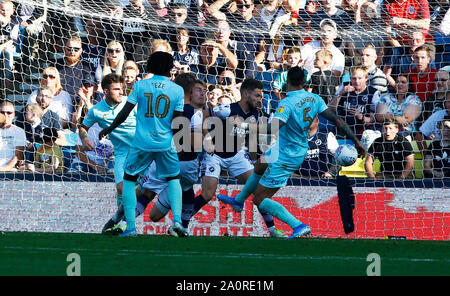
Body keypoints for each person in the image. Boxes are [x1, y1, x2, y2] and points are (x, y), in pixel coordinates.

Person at [217, 66, 366, 238]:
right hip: (290, 148)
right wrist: (356, 141)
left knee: (259, 199)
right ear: (304, 82)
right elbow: (337, 120)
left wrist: (242, 127)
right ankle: (238, 200)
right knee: (260, 165)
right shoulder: (315, 98)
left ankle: (299, 225)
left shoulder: (286, 103)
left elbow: (271, 128)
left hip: (287, 155)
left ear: (287, 81)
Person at [98, 51, 186, 237]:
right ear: (170, 68)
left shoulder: (140, 86)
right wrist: (178, 142)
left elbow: (124, 112)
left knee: (130, 181)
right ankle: (177, 221)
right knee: (174, 179)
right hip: (165, 143)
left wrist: (110, 128)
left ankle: (130, 227)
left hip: (141, 144)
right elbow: (178, 122)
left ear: (150, 67)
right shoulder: (177, 90)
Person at [195, 78, 289, 238]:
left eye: (261, 97)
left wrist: (253, 161)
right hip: (214, 155)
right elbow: (203, 115)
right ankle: (181, 223)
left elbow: (251, 137)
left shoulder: (255, 113)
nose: (261, 99)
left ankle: (273, 230)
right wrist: (207, 138)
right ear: (245, 94)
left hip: (236, 154)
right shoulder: (227, 109)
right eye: (258, 96)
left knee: (259, 190)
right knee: (208, 193)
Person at [79, 73, 137, 235]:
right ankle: (121, 219)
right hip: (121, 153)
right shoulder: (97, 111)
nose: (121, 92)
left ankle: (123, 222)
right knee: (121, 189)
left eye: (122, 89)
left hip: (141, 152)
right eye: (116, 89)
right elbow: (83, 127)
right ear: (105, 91)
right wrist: (84, 139)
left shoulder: (130, 103)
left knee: (134, 190)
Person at [328, 66, 381, 139]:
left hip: (361, 132)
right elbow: (330, 109)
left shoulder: (373, 93)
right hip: (341, 130)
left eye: (360, 78)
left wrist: (361, 116)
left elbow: (373, 118)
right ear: (350, 78)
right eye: (354, 78)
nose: (356, 81)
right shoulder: (344, 86)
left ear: (366, 78)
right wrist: (341, 93)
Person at [56, 35, 97, 107]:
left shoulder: (87, 66)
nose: (72, 52)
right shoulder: (55, 65)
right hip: (59, 103)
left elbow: (89, 91)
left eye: (76, 49)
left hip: (80, 104)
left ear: (81, 50)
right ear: (64, 49)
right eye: (69, 49)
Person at [0, 100, 26, 171]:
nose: (5, 115)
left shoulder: (19, 131)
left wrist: (6, 168)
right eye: (2, 112)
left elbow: (18, 155)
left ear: (14, 115)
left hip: (10, 170)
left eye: (9, 112)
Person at [0, 0, 20, 89]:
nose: (5, 12)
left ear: (12, 11)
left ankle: (6, 80)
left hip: (8, 46)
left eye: (7, 10)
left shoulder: (14, 23)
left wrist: (2, 46)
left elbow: (12, 40)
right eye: (2, 10)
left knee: (7, 52)